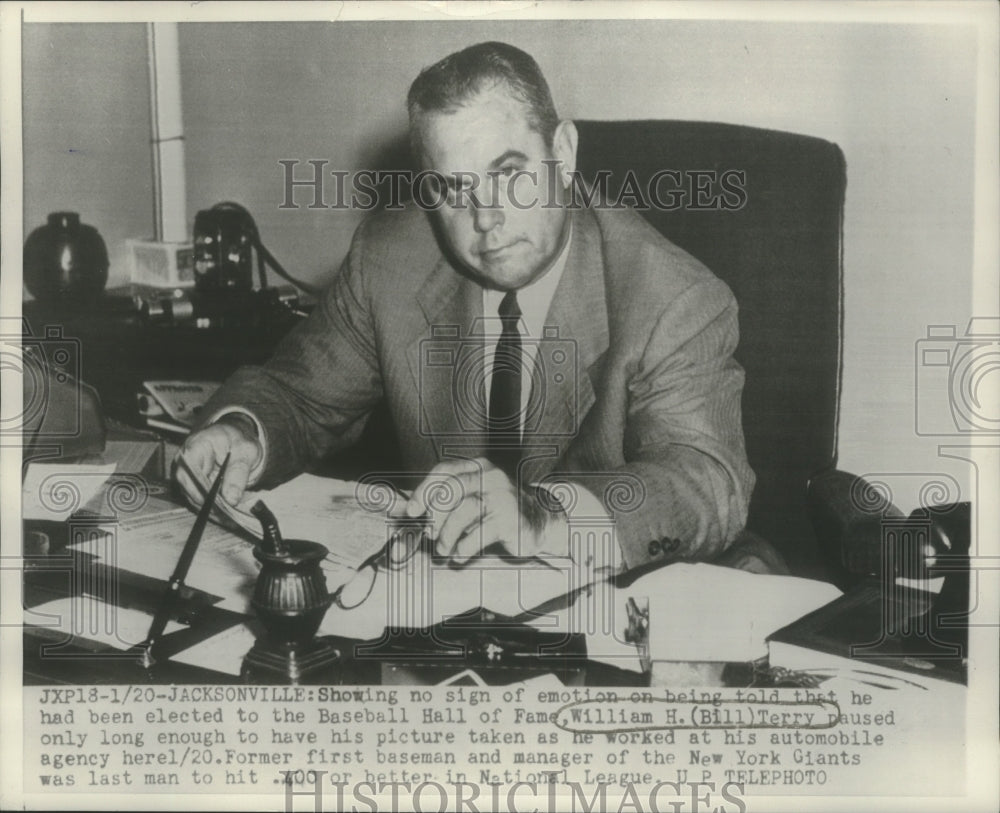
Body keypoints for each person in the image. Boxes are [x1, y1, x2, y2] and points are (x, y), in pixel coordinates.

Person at [176, 41, 761, 577]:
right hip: (442, 611)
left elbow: (705, 481)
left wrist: (545, 516)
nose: (485, 221)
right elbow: (299, 396)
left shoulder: (671, 297)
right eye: (453, 190)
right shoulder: (389, 260)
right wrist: (241, 433)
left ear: (562, 152)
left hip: (615, 600)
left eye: (508, 176)